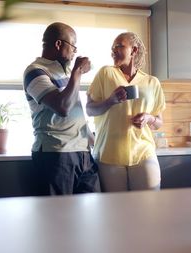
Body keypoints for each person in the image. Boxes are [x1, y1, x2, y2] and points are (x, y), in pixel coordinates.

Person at [23, 22, 99, 195]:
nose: (75, 52)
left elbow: (74, 111)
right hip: (56, 154)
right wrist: (77, 72)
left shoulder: (65, 72)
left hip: (83, 153)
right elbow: (62, 107)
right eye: (73, 47)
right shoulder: (35, 71)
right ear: (58, 44)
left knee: (92, 214)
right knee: (57, 217)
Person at [86, 32, 166, 192]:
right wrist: (110, 101)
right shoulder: (105, 73)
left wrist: (149, 118)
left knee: (150, 206)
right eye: (112, 48)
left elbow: (159, 122)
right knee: (116, 210)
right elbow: (90, 109)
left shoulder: (152, 82)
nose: (113, 50)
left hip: (144, 152)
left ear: (134, 50)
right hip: (109, 153)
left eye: (119, 45)